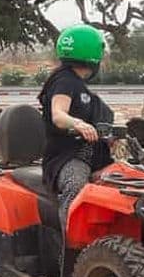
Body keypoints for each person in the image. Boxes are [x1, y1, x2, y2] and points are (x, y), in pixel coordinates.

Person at [38, 24, 113, 231]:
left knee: (123, 179)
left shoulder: (80, 85)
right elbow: (58, 115)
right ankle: (70, 247)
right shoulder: (64, 81)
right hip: (66, 157)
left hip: (90, 154)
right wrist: (78, 124)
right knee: (75, 186)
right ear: (92, 55)